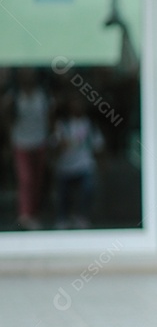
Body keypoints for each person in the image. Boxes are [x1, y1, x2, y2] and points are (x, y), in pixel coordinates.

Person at [3, 69, 51, 230]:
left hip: (39, 141)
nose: (28, 75)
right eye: (24, 72)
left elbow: (48, 118)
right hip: (21, 142)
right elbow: (7, 119)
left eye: (30, 72)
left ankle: (34, 213)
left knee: (37, 180)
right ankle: (24, 215)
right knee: (25, 179)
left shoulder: (42, 95)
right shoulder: (14, 95)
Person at [52, 94, 104, 229]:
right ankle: (63, 217)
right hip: (66, 165)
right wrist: (60, 144)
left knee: (87, 190)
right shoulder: (62, 125)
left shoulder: (90, 125)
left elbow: (98, 145)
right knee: (64, 194)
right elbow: (54, 144)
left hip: (84, 164)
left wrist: (101, 164)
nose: (77, 107)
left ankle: (82, 216)